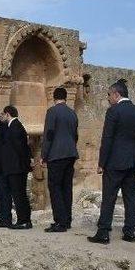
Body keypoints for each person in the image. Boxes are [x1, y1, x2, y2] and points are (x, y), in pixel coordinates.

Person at [88, 79, 135, 244]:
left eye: (109, 95)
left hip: (115, 162)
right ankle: (129, 232)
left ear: (116, 94)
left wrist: (101, 163)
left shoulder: (113, 111)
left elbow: (107, 138)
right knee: (131, 198)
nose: (108, 98)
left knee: (109, 197)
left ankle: (103, 233)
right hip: (134, 162)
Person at [41, 87, 79, 233]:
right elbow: (75, 135)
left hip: (56, 155)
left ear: (53, 97)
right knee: (66, 187)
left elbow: (49, 135)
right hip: (70, 154)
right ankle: (67, 220)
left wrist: (44, 155)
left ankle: (60, 222)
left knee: (55, 187)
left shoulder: (52, 112)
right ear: (66, 97)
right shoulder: (72, 113)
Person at [0, 105, 33, 229]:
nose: (2, 117)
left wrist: (24, 165)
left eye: (3, 114)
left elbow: (20, 149)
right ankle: (24, 220)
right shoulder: (13, 126)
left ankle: (24, 220)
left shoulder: (15, 127)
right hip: (16, 167)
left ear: (8, 114)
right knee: (18, 194)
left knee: (19, 195)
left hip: (17, 168)